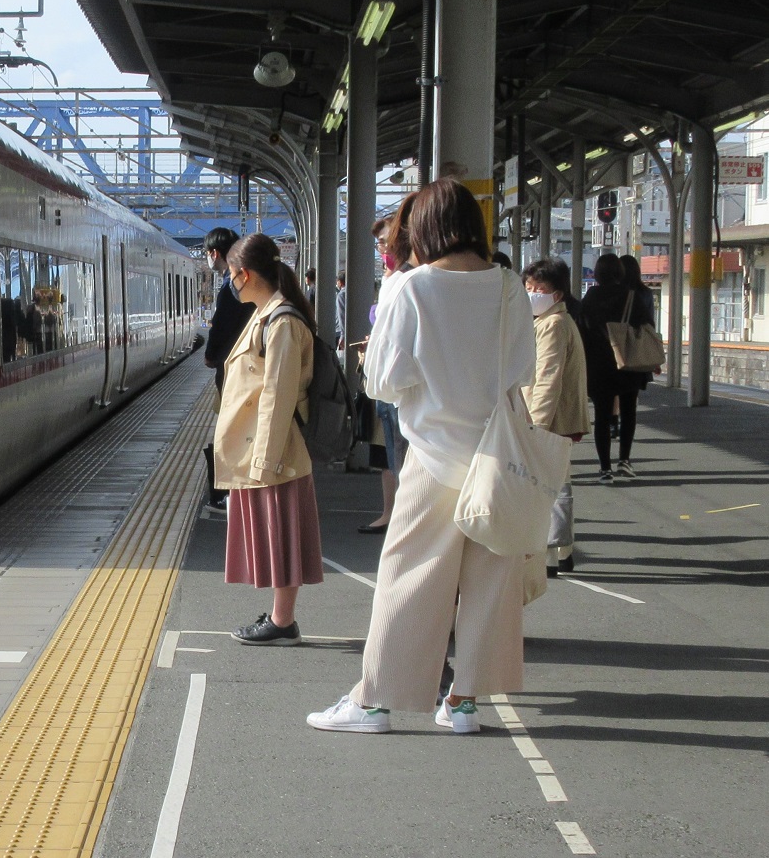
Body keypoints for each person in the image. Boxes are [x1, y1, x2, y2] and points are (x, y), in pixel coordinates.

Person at [308, 178, 535, 736]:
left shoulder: (411, 287)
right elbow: (521, 369)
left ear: (426, 229)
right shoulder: (509, 286)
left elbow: (384, 381)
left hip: (432, 458)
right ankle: (463, 705)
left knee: (406, 578)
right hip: (497, 460)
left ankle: (375, 703)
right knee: (488, 584)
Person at [213, 233, 324, 644]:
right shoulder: (267, 315)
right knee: (276, 534)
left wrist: (266, 459)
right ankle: (280, 618)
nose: (229, 282)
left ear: (244, 274)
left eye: (230, 275)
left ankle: (283, 621)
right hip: (262, 447)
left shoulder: (282, 322)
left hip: (276, 450)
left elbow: (278, 395)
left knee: (282, 535)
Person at [522, 259, 590, 574]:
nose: (532, 294)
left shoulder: (552, 325)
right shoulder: (553, 320)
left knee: (547, 485)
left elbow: (548, 378)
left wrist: (536, 426)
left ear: (557, 294)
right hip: (558, 415)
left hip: (550, 417)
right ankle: (563, 550)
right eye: (528, 287)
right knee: (558, 480)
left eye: (539, 289)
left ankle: (550, 553)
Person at [355, 200, 416, 536]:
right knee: (392, 458)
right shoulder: (393, 278)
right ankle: (396, 518)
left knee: (402, 461)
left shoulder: (409, 280)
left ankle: (404, 525)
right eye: (379, 243)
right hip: (385, 387)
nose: (381, 250)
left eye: (384, 242)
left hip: (398, 388)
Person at [579, 252, 654, 482]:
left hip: (599, 365)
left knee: (602, 416)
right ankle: (624, 460)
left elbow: (581, 329)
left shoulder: (590, 298)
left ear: (597, 274)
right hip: (627, 362)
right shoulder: (631, 296)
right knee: (629, 412)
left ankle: (605, 469)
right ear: (619, 273)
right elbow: (647, 325)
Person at [201, 226, 250, 510]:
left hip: (233, 368)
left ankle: (227, 493)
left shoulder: (230, 284)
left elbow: (222, 324)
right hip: (238, 366)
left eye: (207, 254)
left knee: (230, 429)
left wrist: (211, 354)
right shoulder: (239, 281)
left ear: (214, 253)